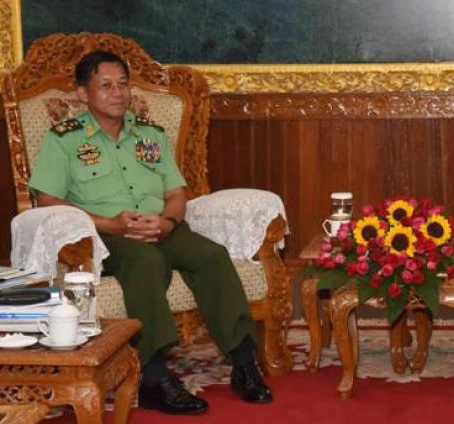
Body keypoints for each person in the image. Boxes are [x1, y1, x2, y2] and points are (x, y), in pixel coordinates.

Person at [28, 51, 273, 415]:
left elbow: (176, 194)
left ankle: (243, 362)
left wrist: (168, 222)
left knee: (211, 255)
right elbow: (46, 198)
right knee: (146, 260)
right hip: (105, 234)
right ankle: (154, 375)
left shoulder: (149, 134)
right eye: (106, 85)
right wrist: (110, 224)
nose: (118, 93)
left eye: (123, 84)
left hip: (162, 225)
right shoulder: (64, 139)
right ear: (83, 94)